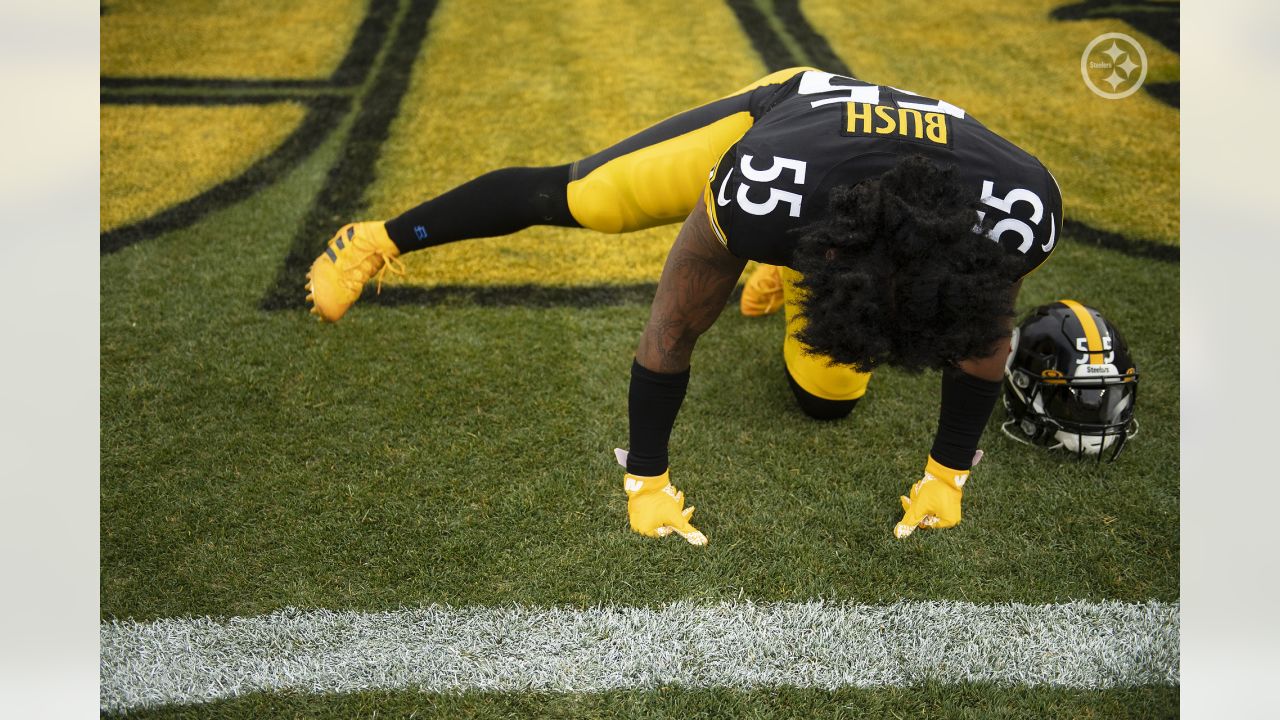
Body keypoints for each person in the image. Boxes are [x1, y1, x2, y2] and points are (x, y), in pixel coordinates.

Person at [305, 67, 1062, 544]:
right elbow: (673, 325)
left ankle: (783, 271)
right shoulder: (768, 184)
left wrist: (947, 472)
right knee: (587, 196)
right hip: (785, 122)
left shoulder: (1017, 212)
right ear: (826, 254)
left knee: (828, 397)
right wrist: (648, 479)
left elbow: (983, 337)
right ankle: (377, 237)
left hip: (836, 212)